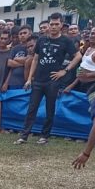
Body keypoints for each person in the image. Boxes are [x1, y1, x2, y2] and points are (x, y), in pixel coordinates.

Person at [15, 12, 82, 145]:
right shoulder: (41, 39)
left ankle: (44, 136)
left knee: (49, 109)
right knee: (32, 108)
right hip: (38, 80)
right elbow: (35, 59)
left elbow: (78, 56)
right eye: (51, 24)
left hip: (53, 80)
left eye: (57, 24)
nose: (53, 27)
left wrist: (65, 71)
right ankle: (24, 135)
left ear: (61, 25)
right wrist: (29, 78)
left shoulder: (66, 40)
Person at [64, 25, 95, 94]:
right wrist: (72, 85)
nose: (92, 35)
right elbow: (82, 70)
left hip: (92, 85)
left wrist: (87, 75)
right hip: (81, 84)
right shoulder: (88, 48)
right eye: (91, 33)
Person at [5, 25, 32, 89]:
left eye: (25, 33)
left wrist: (16, 59)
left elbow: (31, 59)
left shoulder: (33, 47)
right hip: (13, 81)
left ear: (30, 34)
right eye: (20, 34)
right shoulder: (15, 48)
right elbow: (9, 63)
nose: (22, 35)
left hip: (26, 81)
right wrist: (25, 63)